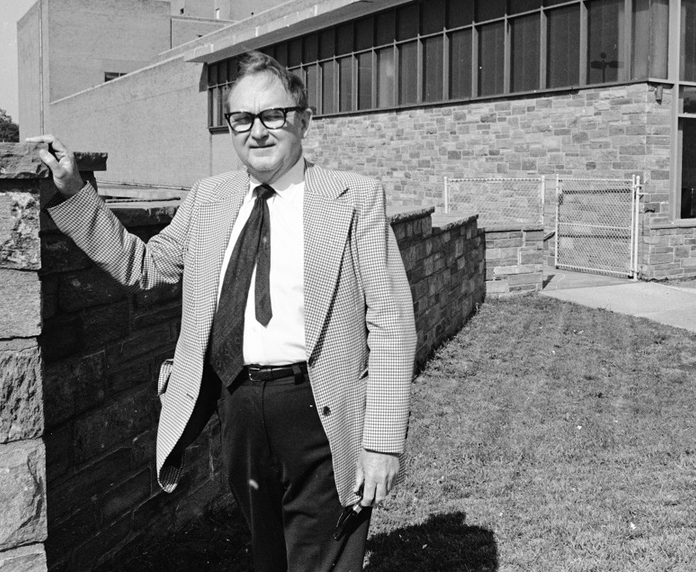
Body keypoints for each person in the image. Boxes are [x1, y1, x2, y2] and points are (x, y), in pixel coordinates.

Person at [27, 52, 417, 572]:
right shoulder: (209, 198)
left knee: (325, 559)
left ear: (302, 118)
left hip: (321, 409)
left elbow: (391, 324)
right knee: (266, 557)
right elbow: (144, 264)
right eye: (241, 119)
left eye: (272, 115)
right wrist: (76, 192)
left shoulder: (354, 197)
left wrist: (383, 444)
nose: (257, 131)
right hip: (239, 407)